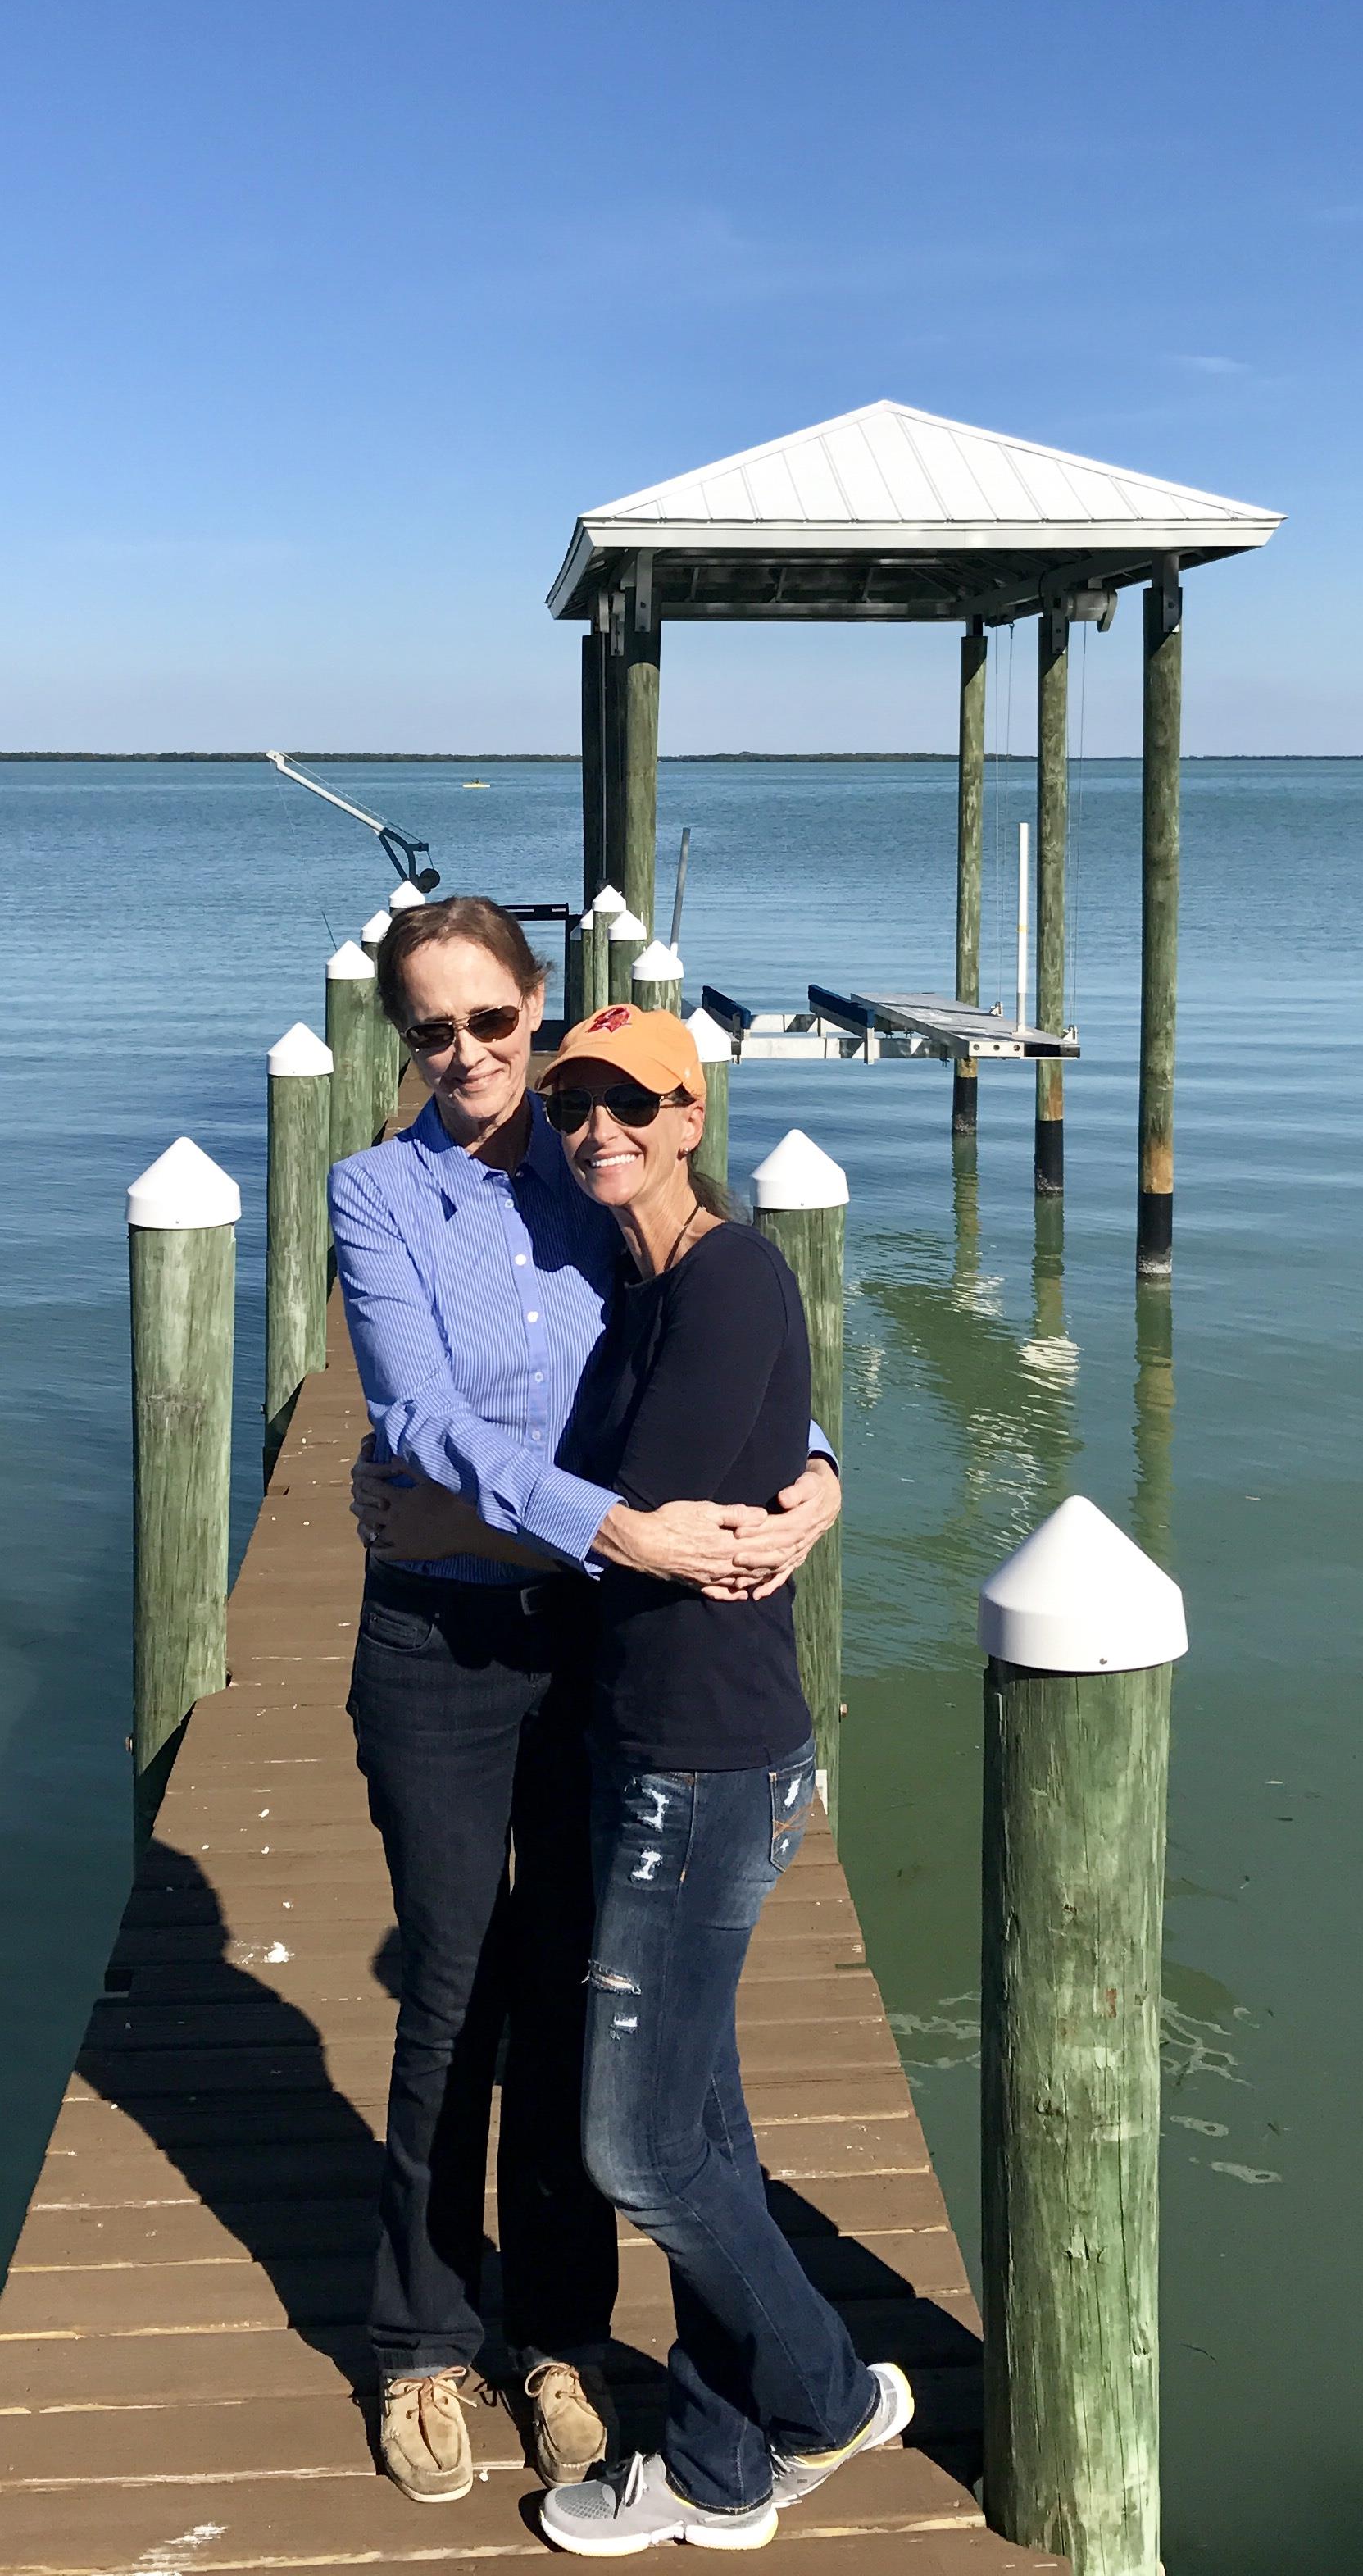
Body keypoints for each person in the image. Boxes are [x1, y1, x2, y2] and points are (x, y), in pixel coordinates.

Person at [327, 897, 842, 2510]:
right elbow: (414, 1417)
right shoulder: (376, 1195)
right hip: (445, 1641)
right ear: (400, 1039)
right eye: (435, 1031)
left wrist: (822, 1478)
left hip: (602, 1649)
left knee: (573, 1982)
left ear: (541, 1012)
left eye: (496, 1024)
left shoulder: (603, 1169)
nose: (470, 1056)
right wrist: (600, 1521)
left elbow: (732, 1352)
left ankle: (552, 2331)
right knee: (454, 1989)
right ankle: (419, 2340)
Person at [522, 1000, 914, 2557]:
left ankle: (821, 2397)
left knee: (635, 2147)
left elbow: (652, 1495)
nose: (601, 1127)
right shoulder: (643, 1283)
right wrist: (803, 1477)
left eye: (635, 1101)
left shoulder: (731, 1275)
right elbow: (660, 1502)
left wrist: (542, 1504)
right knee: (700, 2124)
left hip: (708, 1764)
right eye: (577, 1108)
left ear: (696, 1117)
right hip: (650, 1744)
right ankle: (717, 2458)